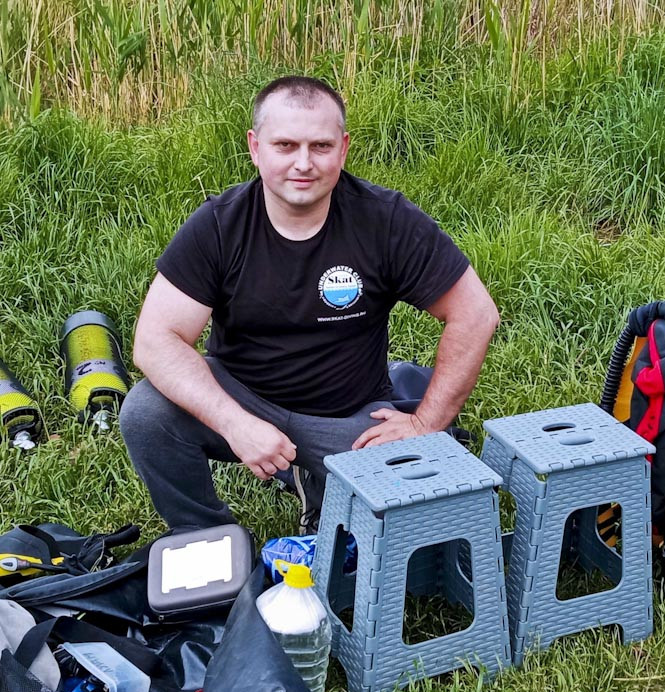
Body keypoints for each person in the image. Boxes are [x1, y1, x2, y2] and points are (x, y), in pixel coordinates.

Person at [120, 75, 499, 534]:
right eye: (285, 145)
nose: (303, 163)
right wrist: (236, 424)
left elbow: (475, 313)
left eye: (320, 147)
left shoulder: (385, 220)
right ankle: (205, 535)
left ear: (343, 149)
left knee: (432, 527)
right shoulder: (220, 225)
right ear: (255, 147)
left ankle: (316, 478)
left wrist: (424, 423)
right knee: (146, 411)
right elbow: (155, 340)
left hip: (349, 418)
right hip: (243, 397)